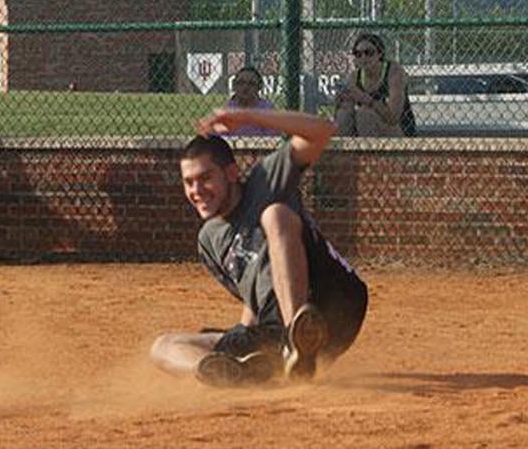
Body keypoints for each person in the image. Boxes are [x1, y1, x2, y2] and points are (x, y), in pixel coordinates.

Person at [150, 107, 367, 387]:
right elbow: (254, 296)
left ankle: (296, 340)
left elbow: (322, 131)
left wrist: (247, 118)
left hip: (334, 301)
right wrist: (241, 341)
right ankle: (226, 373)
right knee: (162, 346)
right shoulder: (209, 239)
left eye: (205, 178)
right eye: (188, 183)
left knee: (274, 214)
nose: (196, 190)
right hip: (273, 329)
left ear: (230, 172)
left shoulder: (265, 181)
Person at [333, 33, 415, 137]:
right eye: (358, 54)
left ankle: (370, 153)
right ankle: (344, 152)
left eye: (369, 53)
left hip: (399, 129)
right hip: (366, 129)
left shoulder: (393, 72)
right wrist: (341, 102)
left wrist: (366, 99)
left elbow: (393, 117)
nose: (363, 57)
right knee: (344, 115)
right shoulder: (355, 76)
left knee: (365, 115)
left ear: (380, 54)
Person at [223, 66, 276, 136]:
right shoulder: (228, 109)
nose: (245, 87)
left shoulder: (268, 109)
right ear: (235, 86)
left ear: (259, 86)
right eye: (241, 83)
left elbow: (272, 139)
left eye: (251, 83)